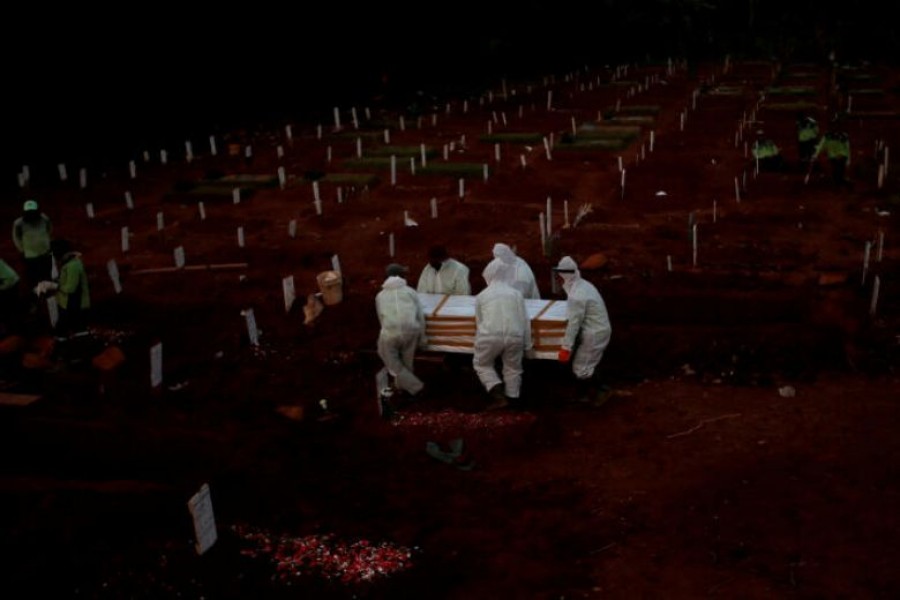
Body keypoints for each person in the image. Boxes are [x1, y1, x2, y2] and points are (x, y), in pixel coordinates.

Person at [473, 259, 532, 410]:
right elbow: (525, 320)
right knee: (513, 368)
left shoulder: (482, 296)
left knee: (482, 364)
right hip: (515, 335)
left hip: (490, 335)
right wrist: (528, 344)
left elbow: (479, 321)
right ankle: (513, 400)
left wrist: (479, 342)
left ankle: (498, 394)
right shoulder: (516, 294)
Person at [554, 256, 612, 405]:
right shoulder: (583, 285)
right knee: (587, 363)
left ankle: (602, 390)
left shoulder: (577, 296)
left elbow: (573, 324)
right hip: (597, 329)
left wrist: (566, 348)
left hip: (594, 334)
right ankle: (583, 394)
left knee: (581, 368)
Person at [376, 262, 427, 399]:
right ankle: (403, 389)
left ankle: (415, 387)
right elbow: (420, 316)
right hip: (412, 331)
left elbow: (381, 318)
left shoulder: (380, 296)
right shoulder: (410, 292)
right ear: (401, 276)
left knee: (389, 358)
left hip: (391, 333)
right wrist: (423, 337)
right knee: (407, 361)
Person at [37, 239, 91, 337]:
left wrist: (54, 286)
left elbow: (70, 289)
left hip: (76, 306)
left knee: (75, 332)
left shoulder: (73, 266)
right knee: (63, 330)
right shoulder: (69, 264)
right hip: (70, 305)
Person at [12, 199, 53, 289]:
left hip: (45, 252)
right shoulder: (18, 224)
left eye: (33, 212)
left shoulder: (44, 218)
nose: (31, 214)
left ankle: (48, 292)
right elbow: (16, 238)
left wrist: (46, 241)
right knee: (33, 277)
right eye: (29, 212)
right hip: (31, 255)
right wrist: (21, 249)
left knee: (47, 274)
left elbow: (49, 229)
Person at [813, 117, 851, 186]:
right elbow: (821, 145)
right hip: (833, 156)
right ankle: (838, 180)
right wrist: (815, 155)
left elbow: (847, 149)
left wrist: (848, 160)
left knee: (840, 166)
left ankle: (840, 180)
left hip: (842, 156)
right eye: (833, 125)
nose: (835, 127)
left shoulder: (844, 136)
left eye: (837, 125)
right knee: (836, 168)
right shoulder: (827, 136)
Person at [0, 257, 23, 335]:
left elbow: (10, 279)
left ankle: (14, 332)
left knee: (10, 311)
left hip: (10, 283)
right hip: (8, 282)